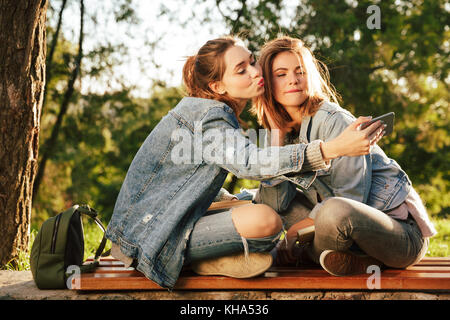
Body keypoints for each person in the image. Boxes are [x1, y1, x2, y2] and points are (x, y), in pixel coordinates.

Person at [105, 36, 384, 290]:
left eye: (252, 61)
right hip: (150, 238)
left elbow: (184, 186)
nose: (255, 71)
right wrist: (332, 148)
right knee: (266, 221)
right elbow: (250, 163)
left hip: (160, 225)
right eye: (241, 70)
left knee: (256, 206)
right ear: (217, 86)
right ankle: (203, 261)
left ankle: (218, 259)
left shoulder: (211, 111)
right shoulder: (209, 116)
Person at [252, 35, 437, 276]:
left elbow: (351, 198)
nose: (293, 80)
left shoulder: (333, 120)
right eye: (281, 74)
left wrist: (298, 229)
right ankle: (346, 259)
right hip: (342, 236)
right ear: (267, 83)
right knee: (266, 211)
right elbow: (275, 204)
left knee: (335, 211)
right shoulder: (277, 131)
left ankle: (303, 256)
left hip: (399, 236)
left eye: (300, 71)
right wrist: (275, 142)